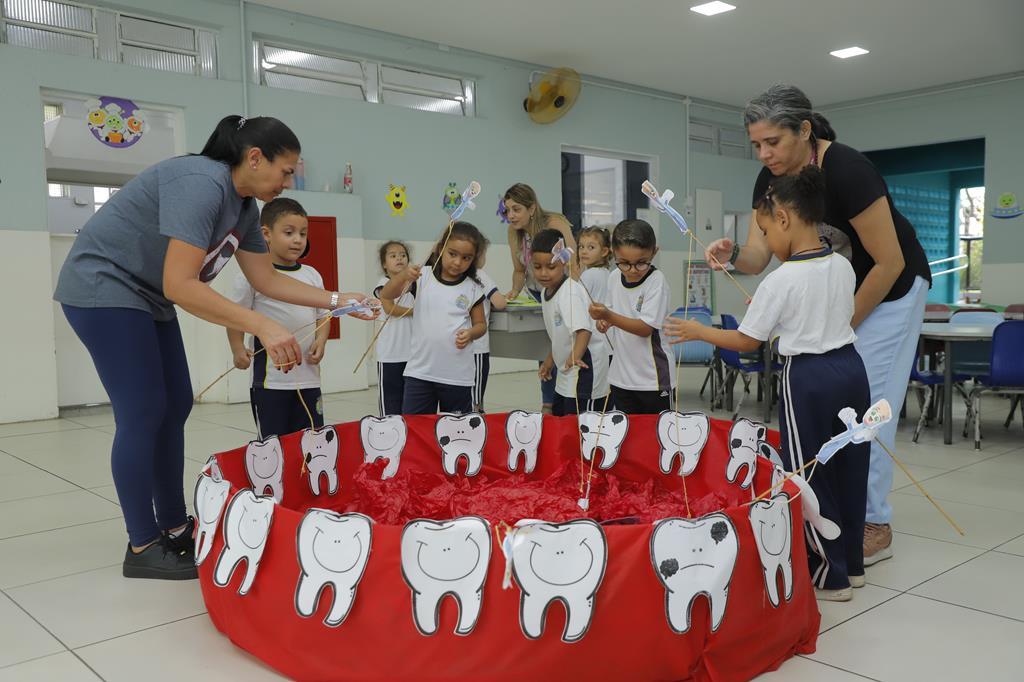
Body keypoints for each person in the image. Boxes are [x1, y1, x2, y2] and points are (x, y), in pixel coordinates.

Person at [53, 114, 372, 580]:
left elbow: (265, 279)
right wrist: (261, 325)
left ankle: (174, 523)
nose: (289, 180)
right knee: (142, 411)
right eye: (285, 171)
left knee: (175, 403)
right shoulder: (201, 182)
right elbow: (181, 284)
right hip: (105, 288)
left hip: (149, 298)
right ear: (255, 157)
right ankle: (142, 544)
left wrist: (341, 300)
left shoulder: (243, 208)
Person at [704, 85, 930, 565]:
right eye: (757, 145)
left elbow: (887, 262)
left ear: (804, 131)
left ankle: (875, 522)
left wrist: (836, 329)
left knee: (867, 408)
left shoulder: (848, 171)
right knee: (832, 403)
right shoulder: (770, 180)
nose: (766, 155)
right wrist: (731, 254)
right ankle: (828, 511)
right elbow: (759, 254)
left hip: (891, 290)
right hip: (841, 293)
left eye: (774, 142)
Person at [666, 166, 871, 602]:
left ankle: (828, 576)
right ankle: (852, 565)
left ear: (783, 218)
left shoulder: (781, 279)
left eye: (763, 229)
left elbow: (746, 340)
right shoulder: (843, 264)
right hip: (853, 371)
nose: (766, 241)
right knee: (851, 468)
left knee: (809, 472)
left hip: (810, 378)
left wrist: (697, 331)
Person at [228, 197, 328, 437]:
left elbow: (324, 313)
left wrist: (321, 339)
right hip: (271, 382)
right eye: (289, 232)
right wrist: (237, 348)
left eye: (303, 234)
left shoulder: (312, 274)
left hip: (309, 380)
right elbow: (235, 316)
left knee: (313, 443)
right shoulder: (251, 276)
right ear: (266, 234)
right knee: (273, 445)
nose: (298, 240)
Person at [379, 221, 489, 414]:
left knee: (456, 433)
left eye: (466, 258)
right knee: (415, 431)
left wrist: (472, 333)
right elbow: (386, 295)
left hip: (457, 377)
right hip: (420, 373)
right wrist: (403, 275)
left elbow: (481, 325)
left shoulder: (473, 288)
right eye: (452, 254)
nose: (457, 262)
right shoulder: (423, 277)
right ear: (440, 249)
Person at [588, 219, 675, 414]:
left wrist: (609, 316)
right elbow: (613, 312)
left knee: (657, 436)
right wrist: (604, 322)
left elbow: (645, 328)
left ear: (654, 252)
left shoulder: (656, 282)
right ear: (613, 254)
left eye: (641, 263)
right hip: (621, 376)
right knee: (627, 436)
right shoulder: (613, 278)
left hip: (653, 380)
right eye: (624, 263)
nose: (633, 270)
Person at [503, 183, 576, 414]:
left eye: (516, 209)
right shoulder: (514, 232)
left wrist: (572, 294)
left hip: (562, 288)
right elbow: (519, 270)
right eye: (507, 210)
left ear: (532, 208)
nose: (511, 215)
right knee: (544, 348)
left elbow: (573, 261)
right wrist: (513, 293)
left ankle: (570, 398)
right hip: (538, 292)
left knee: (564, 342)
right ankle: (548, 402)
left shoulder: (555, 224)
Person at [532, 229, 609, 415]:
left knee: (584, 425)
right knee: (562, 418)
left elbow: (584, 331)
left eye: (551, 267)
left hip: (584, 367)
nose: (543, 273)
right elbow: (560, 336)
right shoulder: (545, 292)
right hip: (567, 369)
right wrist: (549, 361)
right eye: (537, 267)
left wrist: (575, 356)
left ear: (564, 263)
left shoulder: (569, 292)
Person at [372, 240, 414, 416]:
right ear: (384, 264)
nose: (399, 258)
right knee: (390, 405)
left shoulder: (413, 285)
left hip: (411, 355)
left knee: (410, 404)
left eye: (403, 255)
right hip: (390, 355)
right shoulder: (383, 284)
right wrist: (416, 312)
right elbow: (389, 309)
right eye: (393, 256)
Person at [471, 240, 508, 412]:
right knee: (475, 393)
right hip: (477, 347)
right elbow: (499, 303)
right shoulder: (480, 275)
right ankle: (476, 416)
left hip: (457, 346)